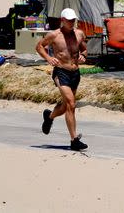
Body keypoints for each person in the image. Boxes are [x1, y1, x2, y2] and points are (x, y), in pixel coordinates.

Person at [36, 8, 88, 151]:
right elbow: (39, 46)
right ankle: (74, 140)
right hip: (61, 72)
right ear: (62, 20)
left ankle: (49, 117)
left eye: (73, 20)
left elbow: (84, 49)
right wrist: (48, 58)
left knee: (66, 106)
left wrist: (84, 55)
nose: (71, 23)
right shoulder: (54, 35)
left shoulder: (79, 34)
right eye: (69, 20)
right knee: (71, 103)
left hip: (75, 73)